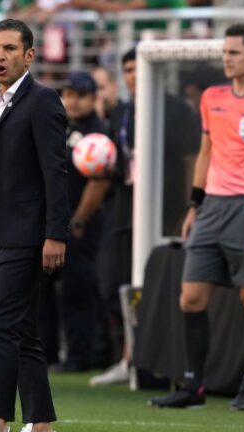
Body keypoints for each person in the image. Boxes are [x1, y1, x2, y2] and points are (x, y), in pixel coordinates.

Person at [149, 24, 244, 410]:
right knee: (190, 298)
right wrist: (194, 206)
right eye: (225, 52)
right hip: (211, 207)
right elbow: (206, 152)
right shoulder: (212, 97)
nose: (227, 59)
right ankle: (193, 387)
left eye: (235, 52)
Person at [0, 18, 68, 432]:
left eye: (9, 49)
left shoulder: (42, 101)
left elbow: (56, 173)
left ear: (29, 55)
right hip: (5, 235)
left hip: (30, 234)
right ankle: (40, 422)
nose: (0, 57)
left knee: (2, 322)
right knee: (24, 330)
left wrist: (55, 234)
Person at [89, 47, 200, 387]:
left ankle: (157, 360)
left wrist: (189, 206)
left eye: (138, 68)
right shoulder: (123, 111)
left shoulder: (176, 109)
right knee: (115, 283)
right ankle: (129, 355)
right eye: (128, 70)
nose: (134, 75)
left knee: (160, 285)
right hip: (125, 210)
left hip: (166, 212)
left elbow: (190, 159)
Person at [40, 71, 109, 372]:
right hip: (54, 224)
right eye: (68, 94)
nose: (73, 101)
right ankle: (46, 352)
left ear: (93, 98)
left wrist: (79, 220)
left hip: (81, 226)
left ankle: (81, 355)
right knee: (43, 290)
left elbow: (99, 181)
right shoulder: (60, 126)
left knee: (76, 291)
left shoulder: (98, 132)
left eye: (80, 95)